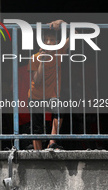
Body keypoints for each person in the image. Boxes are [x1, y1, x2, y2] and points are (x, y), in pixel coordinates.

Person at [28, 19, 70, 150]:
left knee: (60, 110)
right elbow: (38, 80)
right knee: (37, 128)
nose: (48, 42)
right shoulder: (35, 58)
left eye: (52, 40)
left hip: (51, 95)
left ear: (57, 43)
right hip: (35, 96)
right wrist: (43, 60)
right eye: (46, 40)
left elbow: (75, 33)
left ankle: (52, 143)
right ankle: (37, 154)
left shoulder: (58, 52)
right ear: (41, 42)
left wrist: (62, 23)